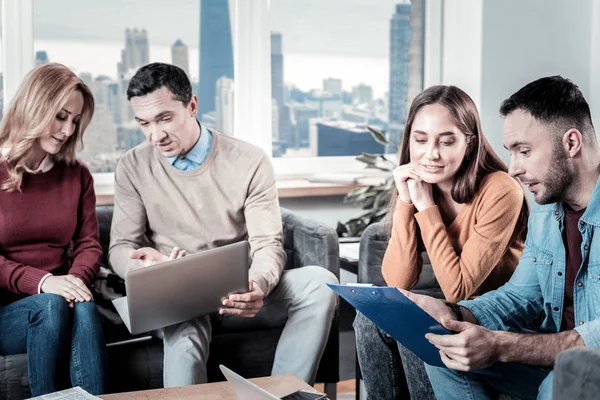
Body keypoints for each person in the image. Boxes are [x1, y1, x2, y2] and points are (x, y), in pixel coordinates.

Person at [108, 63, 338, 388]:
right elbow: (120, 247)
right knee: (184, 331)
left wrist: (258, 283)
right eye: (144, 123)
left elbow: (267, 243)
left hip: (237, 286)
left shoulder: (249, 160)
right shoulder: (133, 165)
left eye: (165, 118)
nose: (154, 135)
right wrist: (142, 266)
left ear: (192, 106)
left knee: (320, 282)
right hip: (177, 292)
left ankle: (283, 395)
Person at [402, 76, 600, 399]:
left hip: (585, 368)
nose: (513, 169)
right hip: (556, 363)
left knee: (561, 381)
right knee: (446, 353)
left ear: (572, 143)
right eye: (511, 152)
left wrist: (500, 345)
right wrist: (452, 313)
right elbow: (520, 297)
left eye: (523, 151)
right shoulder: (547, 209)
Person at [354, 85, 529, 399]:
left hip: (499, 317)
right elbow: (398, 280)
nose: (430, 154)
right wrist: (407, 204)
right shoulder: (420, 185)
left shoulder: (501, 190)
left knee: (422, 328)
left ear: (469, 142)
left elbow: (459, 289)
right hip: (460, 310)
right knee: (370, 318)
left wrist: (425, 208)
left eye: (446, 141)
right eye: (420, 140)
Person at [0, 63, 107, 396]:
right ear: (34, 107)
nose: (67, 130)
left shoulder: (78, 175)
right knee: (50, 305)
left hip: (64, 298)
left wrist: (73, 282)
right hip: (9, 310)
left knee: (86, 307)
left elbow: (90, 244)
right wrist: (46, 283)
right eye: (61, 116)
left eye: (75, 121)